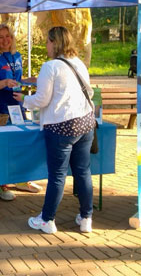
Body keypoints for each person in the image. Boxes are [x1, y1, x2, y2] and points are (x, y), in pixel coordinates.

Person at [24, 26, 95, 235]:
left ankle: (47, 219)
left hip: (61, 126)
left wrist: (24, 100)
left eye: (47, 41)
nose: (46, 45)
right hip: (85, 123)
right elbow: (89, 92)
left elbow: (41, 99)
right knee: (83, 172)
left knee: (57, 175)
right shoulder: (78, 63)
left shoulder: (50, 66)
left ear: (55, 42)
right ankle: (86, 218)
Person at [0, 23, 36, 201]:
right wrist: (5, 82)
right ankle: (0, 185)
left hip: (17, 101)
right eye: (0, 37)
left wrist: (30, 80)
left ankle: (21, 179)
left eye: (7, 36)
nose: (5, 40)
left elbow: (18, 80)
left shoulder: (17, 56)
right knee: (3, 144)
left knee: (20, 140)